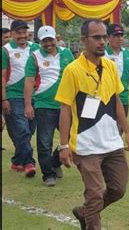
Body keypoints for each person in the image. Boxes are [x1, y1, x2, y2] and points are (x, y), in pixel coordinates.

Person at [56, 19, 129, 230]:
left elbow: (117, 100)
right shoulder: (72, 70)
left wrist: (126, 131)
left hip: (111, 142)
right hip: (85, 143)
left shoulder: (110, 66)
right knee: (96, 193)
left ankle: (84, 212)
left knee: (118, 189)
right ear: (84, 40)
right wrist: (64, 146)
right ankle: (91, 219)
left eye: (104, 37)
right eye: (97, 37)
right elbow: (64, 109)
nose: (102, 41)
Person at [24, 25, 74, 187]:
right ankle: (48, 174)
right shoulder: (34, 57)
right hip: (44, 105)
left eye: (50, 40)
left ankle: (55, 162)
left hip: (65, 104)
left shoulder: (66, 54)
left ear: (56, 39)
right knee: (45, 142)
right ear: (40, 41)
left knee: (73, 137)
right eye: (44, 41)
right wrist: (28, 105)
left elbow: (75, 74)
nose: (48, 44)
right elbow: (29, 81)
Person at [2, 20, 39, 177]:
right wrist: (3, 99)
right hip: (14, 95)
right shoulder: (5, 50)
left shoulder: (35, 48)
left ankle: (17, 160)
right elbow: (2, 76)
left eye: (24, 32)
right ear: (12, 34)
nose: (22, 36)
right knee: (22, 131)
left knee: (29, 131)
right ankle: (29, 163)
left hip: (34, 96)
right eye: (18, 33)